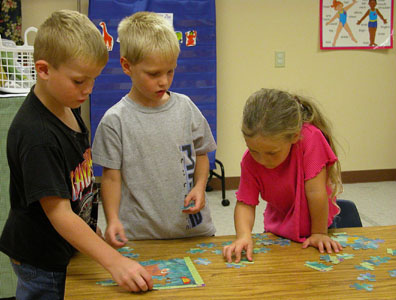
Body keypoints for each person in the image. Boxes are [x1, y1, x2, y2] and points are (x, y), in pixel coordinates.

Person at [0, 10, 153, 299]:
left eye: (93, 79)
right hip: (41, 262)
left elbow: (73, 184)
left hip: (65, 248)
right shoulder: (37, 136)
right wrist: (114, 262)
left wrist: (95, 237)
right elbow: (59, 213)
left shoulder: (66, 103)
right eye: (80, 81)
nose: (89, 90)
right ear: (43, 70)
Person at [92, 12, 216, 246]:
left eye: (170, 71)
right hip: (139, 236)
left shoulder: (186, 107)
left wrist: (200, 187)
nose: (164, 81)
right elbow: (110, 178)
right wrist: (113, 219)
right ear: (127, 66)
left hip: (193, 231)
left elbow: (201, 154)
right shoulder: (115, 120)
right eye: (154, 74)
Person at [223, 88, 344, 263]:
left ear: (294, 136)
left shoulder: (310, 138)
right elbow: (245, 203)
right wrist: (243, 236)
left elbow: (316, 192)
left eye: (272, 153)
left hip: (319, 228)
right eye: (254, 151)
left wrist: (319, 233)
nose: (262, 160)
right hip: (278, 232)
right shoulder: (250, 161)